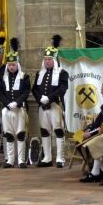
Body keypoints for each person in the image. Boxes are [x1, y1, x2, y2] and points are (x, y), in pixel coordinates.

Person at [32, 35, 69, 168]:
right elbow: (34, 89)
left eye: (50, 59)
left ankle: (60, 158)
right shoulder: (39, 74)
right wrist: (40, 100)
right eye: (46, 59)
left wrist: (49, 98)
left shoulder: (62, 73)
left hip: (55, 105)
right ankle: (47, 158)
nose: (48, 62)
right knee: (44, 131)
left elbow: (63, 88)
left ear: (55, 60)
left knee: (58, 131)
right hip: (42, 107)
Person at [0, 38, 30, 168]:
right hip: (7, 110)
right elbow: (0, 93)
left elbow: (26, 91)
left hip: (19, 109)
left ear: (18, 65)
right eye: (10, 65)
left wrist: (17, 102)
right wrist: (7, 104)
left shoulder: (24, 77)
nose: (12, 67)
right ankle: (10, 160)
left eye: (14, 65)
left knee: (21, 134)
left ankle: (21, 160)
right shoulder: (2, 78)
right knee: (9, 135)